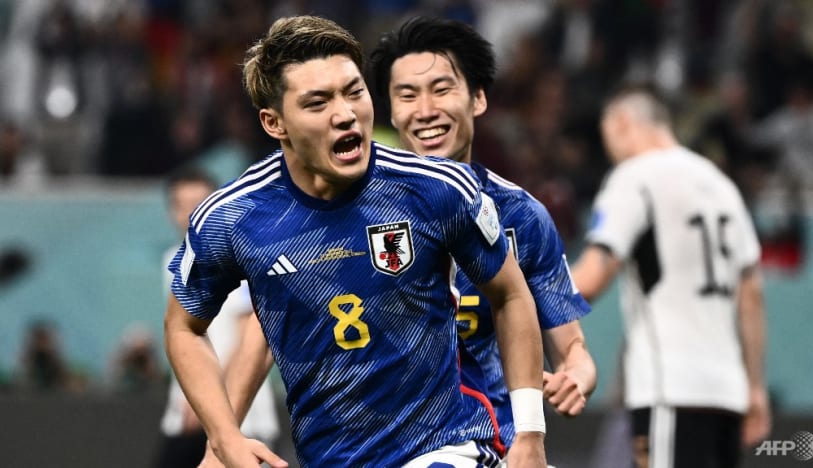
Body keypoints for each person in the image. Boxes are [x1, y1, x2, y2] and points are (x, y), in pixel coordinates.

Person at [164, 15, 547, 468]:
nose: (345, 114)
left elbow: (509, 292)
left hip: (444, 448)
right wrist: (224, 438)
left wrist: (530, 434)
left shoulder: (436, 189)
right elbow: (184, 327)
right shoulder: (232, 218)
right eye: (318, 102)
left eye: (354, 91)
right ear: (274, 123)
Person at [367, 16, 596, 447]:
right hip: (381, 446)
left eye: (442, 89)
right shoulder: (355, 214)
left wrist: (576, 376)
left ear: (478, 99)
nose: (426, 111)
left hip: (495, 444)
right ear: (392, 112)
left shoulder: (522, 217)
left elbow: (573, 351)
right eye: (407, 95)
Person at [570, 82, 771, 468]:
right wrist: (755, 387)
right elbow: (751, 294)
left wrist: (521, 299)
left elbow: (592, 278)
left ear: (622, 123)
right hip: (727, 394)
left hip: (670, 389)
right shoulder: (721, 185)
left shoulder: (635, 177)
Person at [155, 167, 279, 468]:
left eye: (198, 204)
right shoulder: (173, 259)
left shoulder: (233, 256)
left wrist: (207, 400)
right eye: (181, 205)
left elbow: (251, 335)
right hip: (190, 411)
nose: (189, 213)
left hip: (240, 417)